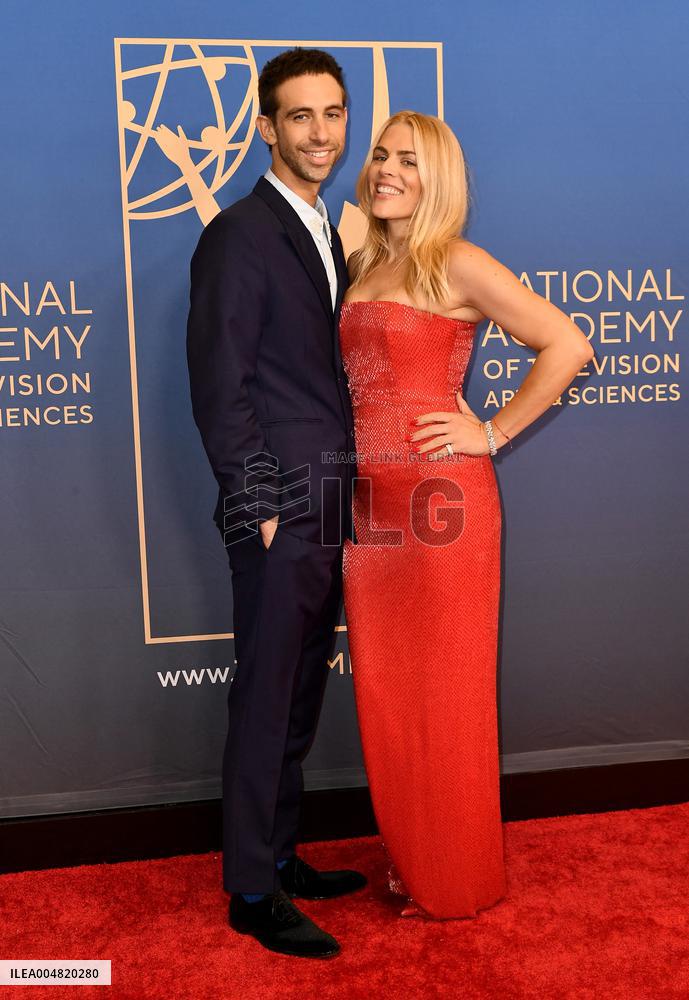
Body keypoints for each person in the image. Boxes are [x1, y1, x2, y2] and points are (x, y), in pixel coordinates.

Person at [339, 110, 594, 919]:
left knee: (444, 693)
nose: (386, 171)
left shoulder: (456, 262)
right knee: (388, 691)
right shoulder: (357, 264)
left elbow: (566, 344)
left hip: (442, 508)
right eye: (379, 155)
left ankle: (452, 875)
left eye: (408, 162)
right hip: (368, 514)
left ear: (437, 180)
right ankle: (413, 852)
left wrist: (490, 431)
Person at [186, 48, 366, 959]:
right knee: (265, 693)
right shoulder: (238, 234)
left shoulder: (324, 230)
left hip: (331, 497)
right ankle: (250, 890)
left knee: (298, 689)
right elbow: (222, 385)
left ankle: (280, 854)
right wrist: (257, 503)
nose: (320, 133)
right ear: (266, 127)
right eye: (299, 116)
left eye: (332, 114)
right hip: (278, 506)